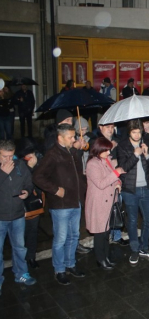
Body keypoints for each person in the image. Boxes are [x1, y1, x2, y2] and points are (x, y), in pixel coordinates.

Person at [33, 124, 87, 285]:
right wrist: (55, 190)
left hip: (75, 201)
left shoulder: (72, 151)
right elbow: (38, 176)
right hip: (61, 204)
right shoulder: (52, 154)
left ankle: (70, 264)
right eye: (70, 137)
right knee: (61, 238)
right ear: (60, 138)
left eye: (74, 136)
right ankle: (59, 269)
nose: (74, 139)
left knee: (74, 236)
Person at [117, 119, 149, 264]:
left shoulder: (145, 142)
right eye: (134, 132)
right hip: (130, 190)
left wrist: (146, 154)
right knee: (133, 221)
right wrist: (135, 155)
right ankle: (134, 249)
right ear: (129, 132)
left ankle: (144, 246)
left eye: (139, 132)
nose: (137, 135)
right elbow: (123, 168)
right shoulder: (123, 146)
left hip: (147, 188)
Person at [0, 140, 37, 289]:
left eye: (11, 156)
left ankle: (21, 273)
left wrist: (27, 192)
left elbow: (29, 182)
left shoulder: (20, 165)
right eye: (4, 156)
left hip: (17, 215)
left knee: (20, 247)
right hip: (0, 217)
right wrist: (3, 173)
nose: (8, 160)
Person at [85, 138, 125, 270]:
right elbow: (101, 183)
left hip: (108, 202)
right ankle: (100, 258)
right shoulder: (92, 164)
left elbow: (114, 178)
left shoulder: (105, 161)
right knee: (99, 233)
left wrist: (118, 183)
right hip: (98, 203)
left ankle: (106, 257)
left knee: (106, 232)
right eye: (106, 150)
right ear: (98, 149)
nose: (108, 152)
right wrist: (116, 173)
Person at [16, 138, 43, 269]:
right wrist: (30, 168)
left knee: (32, 231)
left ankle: (31, 257)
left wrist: (34, 167)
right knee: (20, 234)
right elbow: (21, 183)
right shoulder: (17, 164)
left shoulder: (37, 161)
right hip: (19, 205)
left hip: (33, 202)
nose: (31, 156)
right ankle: (21, 260)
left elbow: (39, 181)